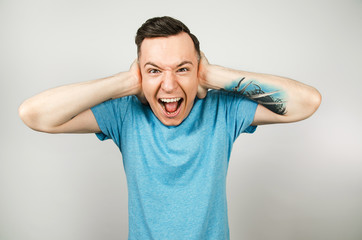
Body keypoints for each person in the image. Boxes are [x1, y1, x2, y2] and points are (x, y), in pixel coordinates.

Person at [19, 16, 321, 240]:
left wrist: (215, 74)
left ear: (198, 72)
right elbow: (34, 115)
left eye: (183, 69)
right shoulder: (125, 114)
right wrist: (125, 82)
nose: (169, 84)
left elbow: (307, 102)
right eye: (153, 71)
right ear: (139, 73)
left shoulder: (223, 110)